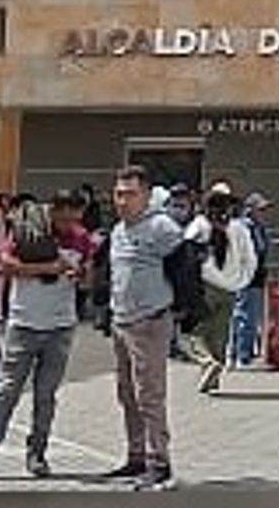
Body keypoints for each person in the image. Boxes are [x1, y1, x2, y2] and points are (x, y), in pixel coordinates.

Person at [0, 192, 88, 483]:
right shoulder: (27, 230)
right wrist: (48, 268)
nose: (70, 225)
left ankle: (37, 454)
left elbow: (90, 277)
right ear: (54, 212)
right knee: (6, 393)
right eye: (65, 219)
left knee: (46, 397)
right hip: (24, 323)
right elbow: (5, 266)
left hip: (60, 326)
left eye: (75, 219)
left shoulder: (81, 237)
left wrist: (81, 275)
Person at [102, 164, 182, 492]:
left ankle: (159, 462)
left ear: (147, 196)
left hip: (150, 321)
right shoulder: (119, 229)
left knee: (149, 395)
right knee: (127, 394)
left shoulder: (162, 227)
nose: (122, 201)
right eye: (119, 194)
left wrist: (180, 308)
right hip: (122, 321)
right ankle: (136, 456)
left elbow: (184, 266)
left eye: (130, 194)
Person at [184, 185, 257, 394]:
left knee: (194, 332)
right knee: (220, 333)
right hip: (229, 288)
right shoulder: (238, 228)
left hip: (205, 286)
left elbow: (186, 254)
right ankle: (215, 374)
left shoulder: (199, 225)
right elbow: (250, 258)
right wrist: (242, 280)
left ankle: (207, 363)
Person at [230, 191, 271, 368]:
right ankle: (240, 354)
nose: (263, 213)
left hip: (256, 275)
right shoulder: (244, 227)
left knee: (251, 316)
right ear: (250, 210)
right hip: (245, 275)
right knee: (244, 315)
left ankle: (243, 353)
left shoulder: (259, 227)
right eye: (260, 209)